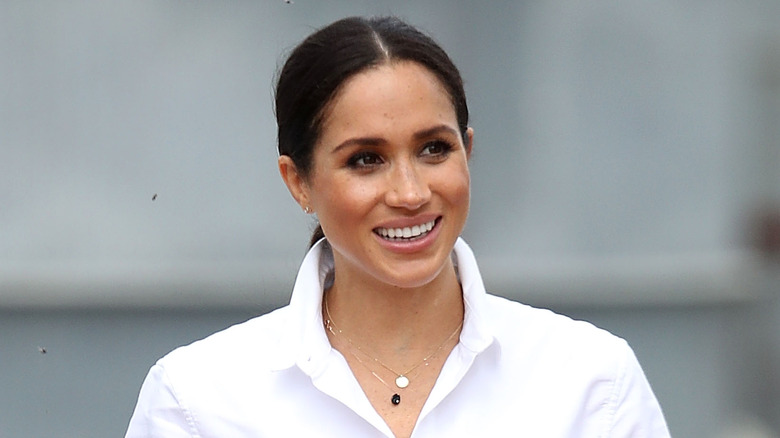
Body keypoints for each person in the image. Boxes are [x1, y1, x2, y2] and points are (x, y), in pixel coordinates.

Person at [125, 16, 671, 438]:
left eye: (435, 149)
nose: (410, 193)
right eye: (366, 159)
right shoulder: (198, 400)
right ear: (299, 182)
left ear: (468, 151)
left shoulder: (592, 383)